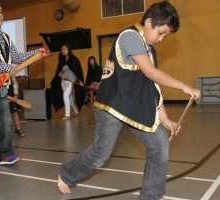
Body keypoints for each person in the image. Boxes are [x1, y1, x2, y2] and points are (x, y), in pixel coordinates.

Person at [57, 1, 201, 199]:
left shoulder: (150, 50)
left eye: (166, 35)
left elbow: (152, 87)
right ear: (149, 22)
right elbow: (152, 74)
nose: (162, 39)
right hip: (112, 106)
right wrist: (184, 86)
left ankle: (151, 195)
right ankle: (67, 173)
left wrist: (165, 119)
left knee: (160, 145)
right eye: (161, 32)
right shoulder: (130, 36)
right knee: (100, 155)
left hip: (133, 106)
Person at [0, 0, 48, 173]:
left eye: (1, 11)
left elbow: (17, 57)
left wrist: (36, 54)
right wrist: (7, 68)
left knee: (4, 124)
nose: (0, 14)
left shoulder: (5, 37)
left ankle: (5, 154)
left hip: (2, 89)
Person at [51, 43, 85, 120]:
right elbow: (58, 73)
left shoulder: (74, 59)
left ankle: (67, 115)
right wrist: (61, 76)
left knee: (65, 95)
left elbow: (78, 71)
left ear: (68, 49)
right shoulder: (62, 61)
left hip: (71, 81)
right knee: (69, 97)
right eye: (61, 49)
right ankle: (76, 111)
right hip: (63, 82)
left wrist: (80, 80)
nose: (63, 51)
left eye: (64, 49)